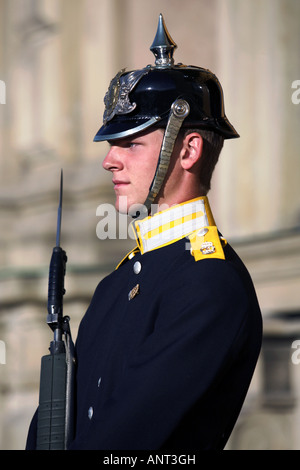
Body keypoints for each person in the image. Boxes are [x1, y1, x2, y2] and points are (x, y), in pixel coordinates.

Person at [27, 14, 262, 451]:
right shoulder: (116, 283)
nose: (109, 161)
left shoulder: (208, 284)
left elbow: (124, 443)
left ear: (188, 149)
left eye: (131, 143)